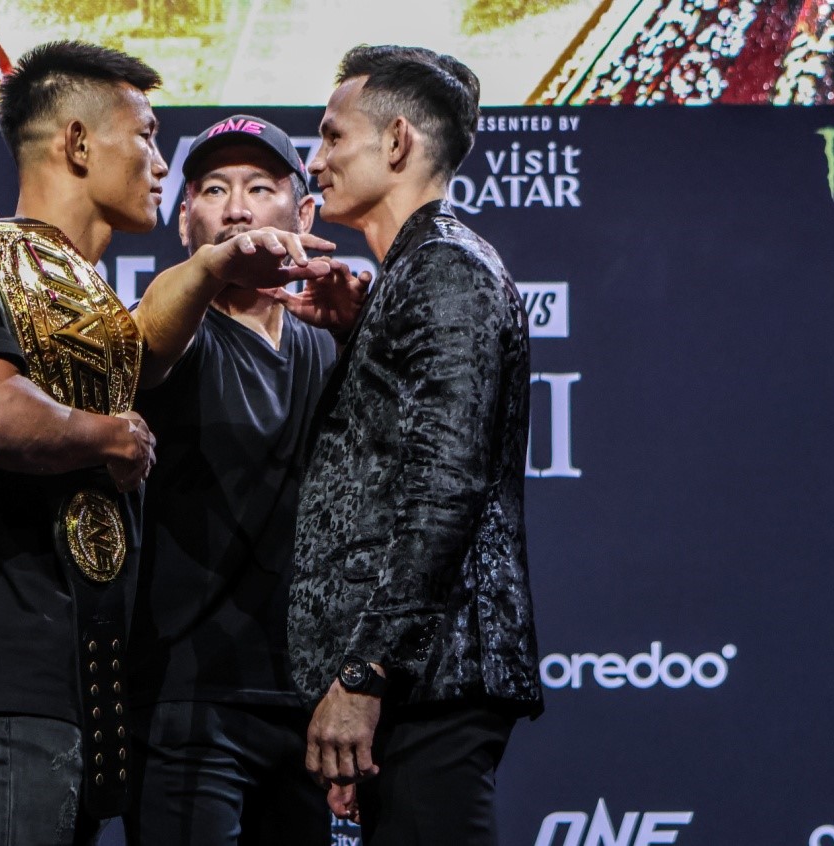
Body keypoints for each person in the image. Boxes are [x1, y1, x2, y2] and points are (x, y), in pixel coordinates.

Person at [0, 41, 333, 846]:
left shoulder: (79, 295)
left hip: (75, 693)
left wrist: (224, 268)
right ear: (79, 143)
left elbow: (143, 348)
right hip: (11, 683)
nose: (159, 163)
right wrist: (104, 434)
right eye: (146, 136)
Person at [285, 45, 544, 844]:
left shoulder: (444, 268)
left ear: (396, 141)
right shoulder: (414, 272)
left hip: (430, 676)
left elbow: (443, 484)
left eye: (332, 137)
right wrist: (358, 336)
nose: (314, 162)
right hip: (415, 680)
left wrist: (364, 673)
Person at [122, 115, 367, 846]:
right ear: (183, 222)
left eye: (260, 188)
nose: (235, 209)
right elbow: (141, 353)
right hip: (185, 701)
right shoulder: (166, 331)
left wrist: (355, 333)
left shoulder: (327, 341)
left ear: (305, 214)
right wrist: (209, 273)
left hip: (308, 707)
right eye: (212, 190)